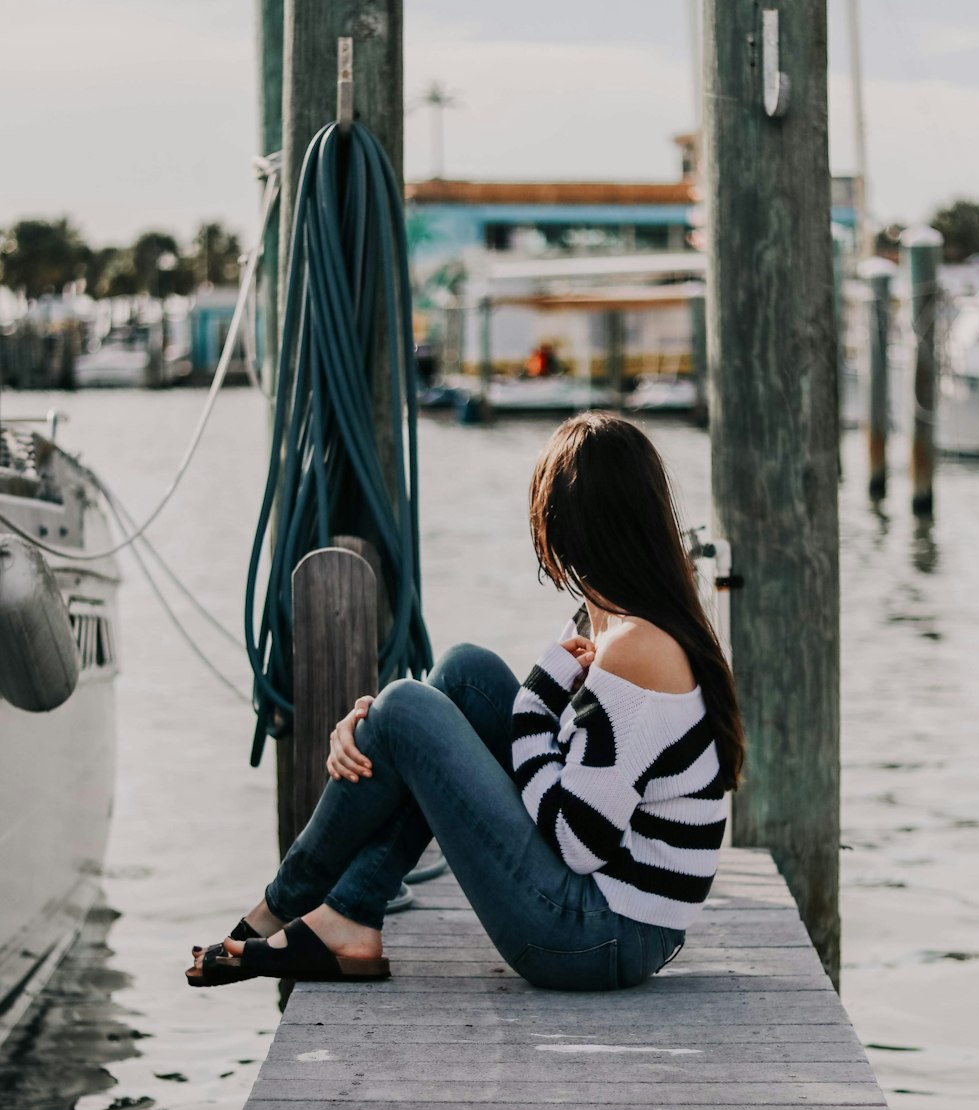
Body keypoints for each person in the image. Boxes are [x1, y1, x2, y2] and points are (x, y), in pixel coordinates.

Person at [186, 412, 744, 993]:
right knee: (463, 673)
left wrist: (527, 705)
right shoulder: (608, 620)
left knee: (406, 708)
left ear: (570, 525)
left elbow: (576, 842)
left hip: (603, 935)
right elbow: (556, 769)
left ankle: (282, 907)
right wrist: (377, 732)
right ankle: (346, 914)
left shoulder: (637, 646)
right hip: (610, 917)